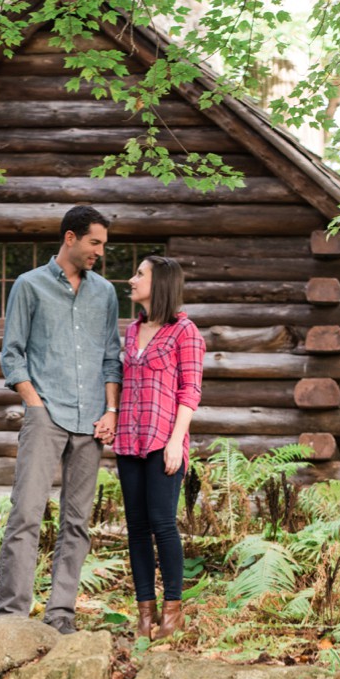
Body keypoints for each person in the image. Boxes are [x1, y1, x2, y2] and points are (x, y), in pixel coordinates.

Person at [0, 206, 123, 635]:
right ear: (70, 238)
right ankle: (11, 616)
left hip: (92, 421)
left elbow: (110, 356)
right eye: (94, 243)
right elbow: (12, 354)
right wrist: (34, 404)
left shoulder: (104, 292)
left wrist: (110, 410)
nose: (100, 253)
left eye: (103, 245)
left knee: (77, 522)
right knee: (27, 513)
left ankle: (61, 616)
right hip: (45, 413)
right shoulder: (29, 287)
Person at [114, 255, 205, 639]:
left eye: (140, 274)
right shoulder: (132, 331)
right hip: (128, 442)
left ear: (161, 283)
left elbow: (191, 392)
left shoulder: (186, 332)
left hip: (162, 442)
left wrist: (174, 443)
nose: (131, 279)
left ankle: (172, 614)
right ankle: (145, 614)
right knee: (136, 529)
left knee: (164, 526)